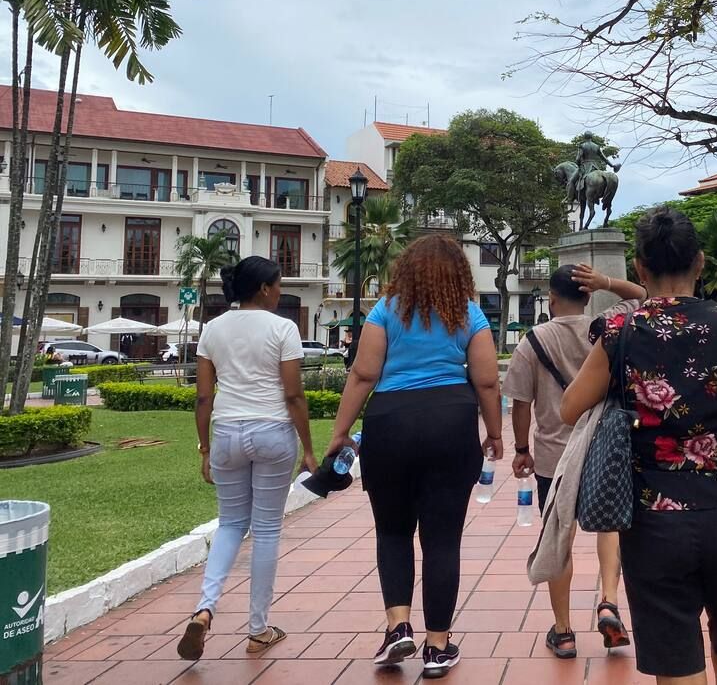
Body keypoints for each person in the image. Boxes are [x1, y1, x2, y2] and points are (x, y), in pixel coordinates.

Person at [561, 207, 717, 685]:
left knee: (678, 668)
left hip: (656, 519)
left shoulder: (620, 332)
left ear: (639, 268)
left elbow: (569, 408)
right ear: (700, 263)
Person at [325, 234, 503, 680]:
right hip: (451, 423)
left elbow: (364, 373)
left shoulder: (386, 310)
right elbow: (485, 381)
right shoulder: (469, 313)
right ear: (458, 274)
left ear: (405, 270)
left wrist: (340, 431)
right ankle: (438, 647)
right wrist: (495, 434)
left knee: (392, 531)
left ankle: (397, 625)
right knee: (442, 540)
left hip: (391, 423)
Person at [176, 257, 318, 661]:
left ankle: (205, 609)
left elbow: (204, 397)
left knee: (231, 524)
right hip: (272, 431)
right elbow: (293, 395)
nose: (279, 291)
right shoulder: (283, 328)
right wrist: (307, 449)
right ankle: (258, 630)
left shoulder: (213, 330)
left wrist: (204, 448)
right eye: (277, 285)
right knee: (267, 530)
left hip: (226, 433)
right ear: (263, 289)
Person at [503, 263, 645, 659]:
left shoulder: (533, 341)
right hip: (603, 448)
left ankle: (563, 631)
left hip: (555, 457)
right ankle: (609, 601)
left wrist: (520, 450)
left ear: (550, 300)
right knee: (610, 525)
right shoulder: (608, 325)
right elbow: (642, 297)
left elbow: (521, 402)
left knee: (557, 537)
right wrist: (608, 282)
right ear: (587, 295)